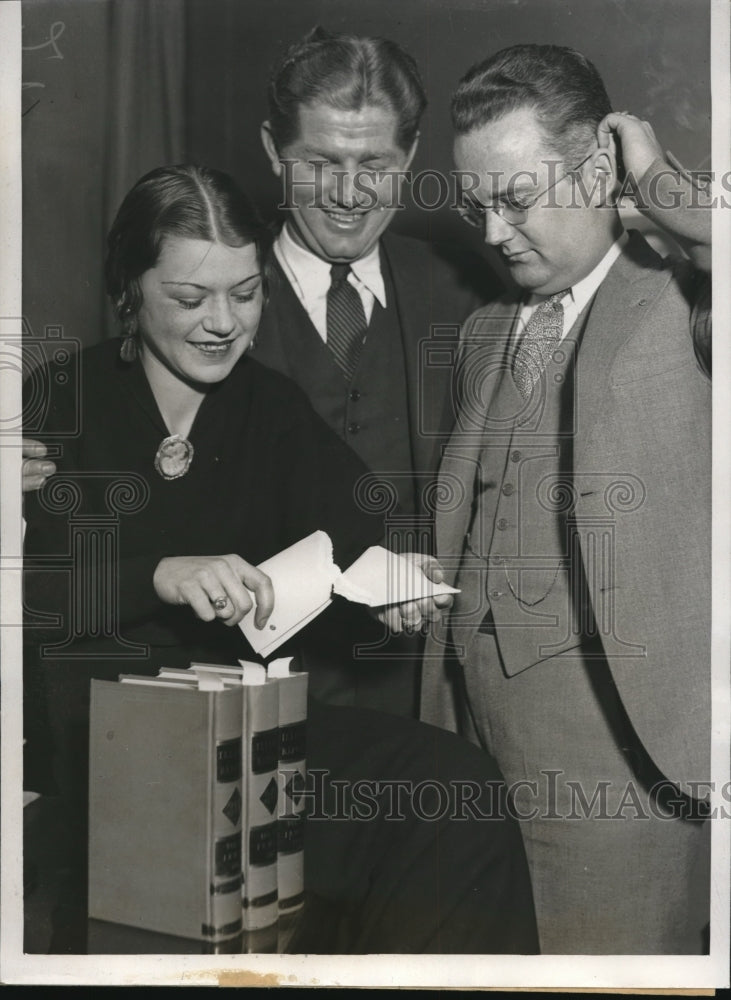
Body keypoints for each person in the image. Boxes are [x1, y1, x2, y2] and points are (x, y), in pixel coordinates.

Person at [22, 164, 538, 956]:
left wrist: (393, 583)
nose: (223, 322)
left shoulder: (271, 407)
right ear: (128, 289)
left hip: (244, 728)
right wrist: (157, 573)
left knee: (453, 792)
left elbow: (360, 528)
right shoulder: (56, 400)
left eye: (247, 292)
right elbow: (26, 599)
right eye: (191, 299)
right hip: (103, 748)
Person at [420, 44, 712, 954]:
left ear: (596, 170)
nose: (494, 233)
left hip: (621, 770)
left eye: (516, 199)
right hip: (469, 746)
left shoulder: (685, 304)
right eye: (478, 207)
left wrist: (661, 182)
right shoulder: (482, 330)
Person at [251, 27, 499, 719]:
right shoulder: (206, 304)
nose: (349, 194)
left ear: (412, 155)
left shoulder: (465, 290)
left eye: (375, 164)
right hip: (255, 695)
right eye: (321, 162)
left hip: (429, 699)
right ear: (273, 150)